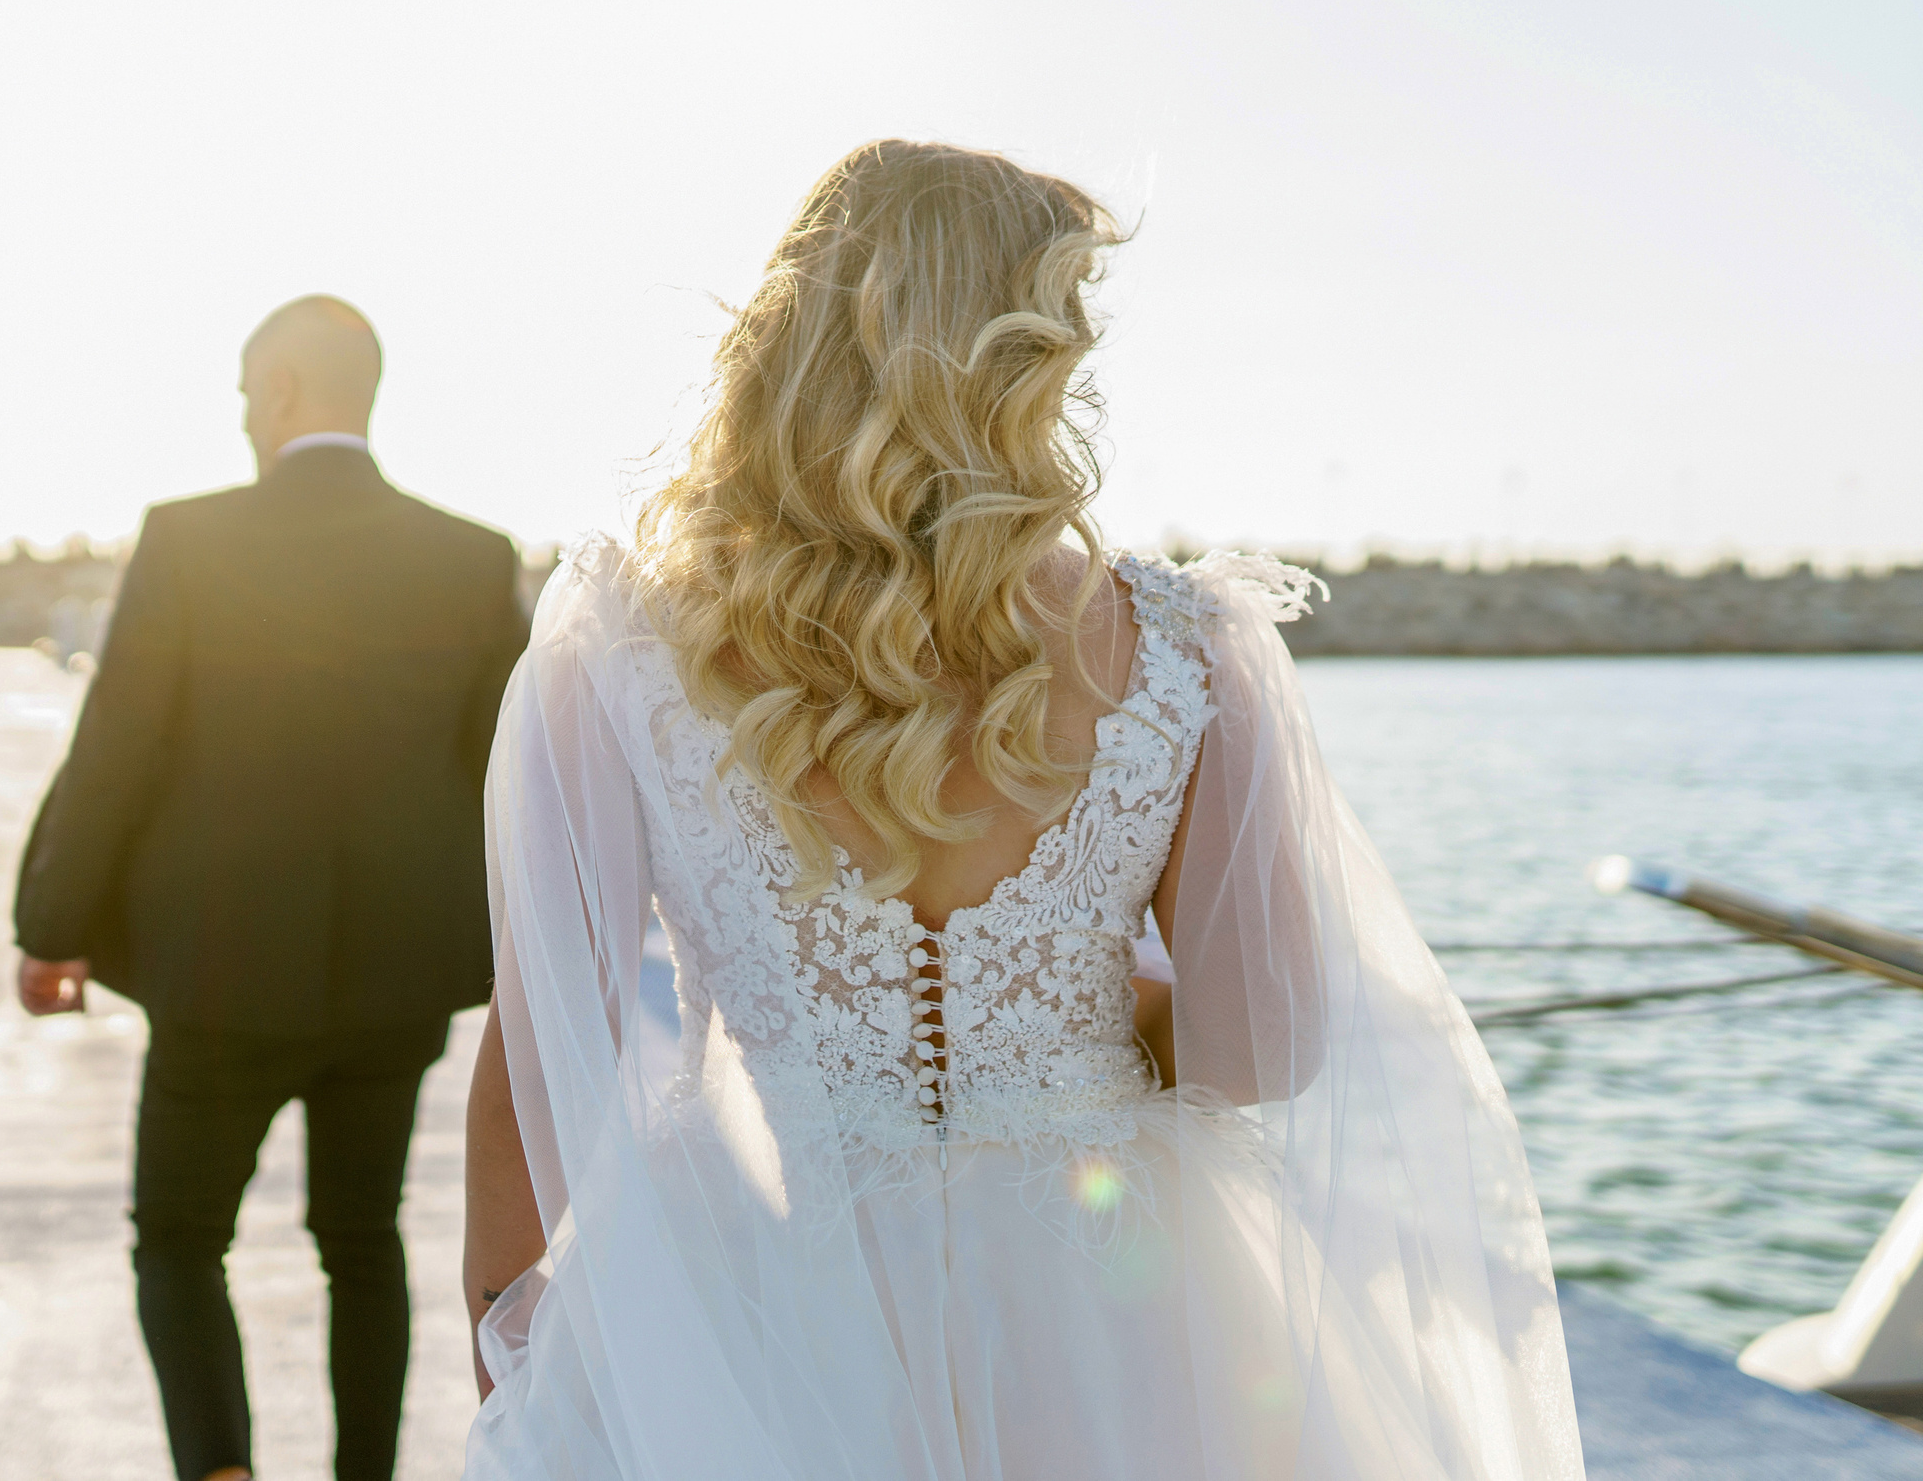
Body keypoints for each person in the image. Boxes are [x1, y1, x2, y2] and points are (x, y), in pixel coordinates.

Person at [459, 143, 1584, 1479]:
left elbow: (542, 1056)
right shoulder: (1184, 645)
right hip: (1118, 1295)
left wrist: (504, 1328)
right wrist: (1081, 1011)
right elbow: (1261, 1046)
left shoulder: (627, 648)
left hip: (758, 1282)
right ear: (1018, 354)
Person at [14, 295, 527, 1481]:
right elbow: (505, 779)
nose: (245, 417)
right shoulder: (469, 556)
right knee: (362, 1240)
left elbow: (119, 746)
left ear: (285, 391)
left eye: (250, 393)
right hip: (396, 984)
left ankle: (221, 1474)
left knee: (180, 1241)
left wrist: (51, 928)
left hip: (215, 975)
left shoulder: (190, 540)